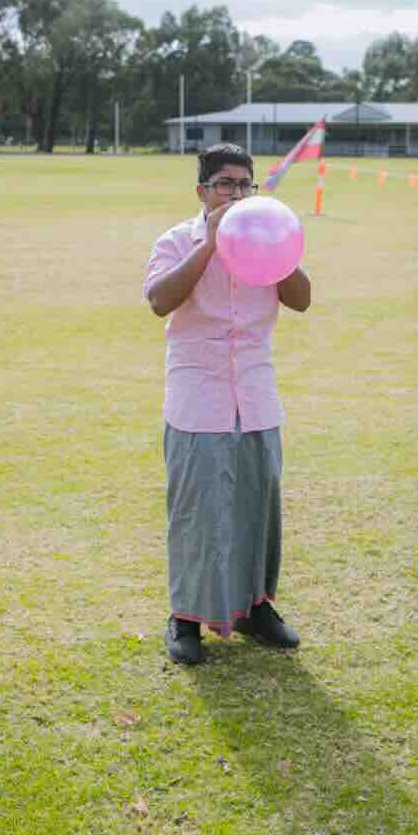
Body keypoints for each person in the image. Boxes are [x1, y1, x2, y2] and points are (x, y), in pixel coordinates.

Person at [144, 143, 312, 666]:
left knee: (259, 505)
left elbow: (302, 299)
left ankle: (256, 608)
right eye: (225, 184)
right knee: (197, 510)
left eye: (245, 184)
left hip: (256, 396)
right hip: (199, 396)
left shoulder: (268, 237)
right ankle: (186, 617)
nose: (236, 194)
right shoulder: (177, 240)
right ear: (202, 191)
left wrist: (280, 254)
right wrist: (211, 245)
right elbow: (159, 300)